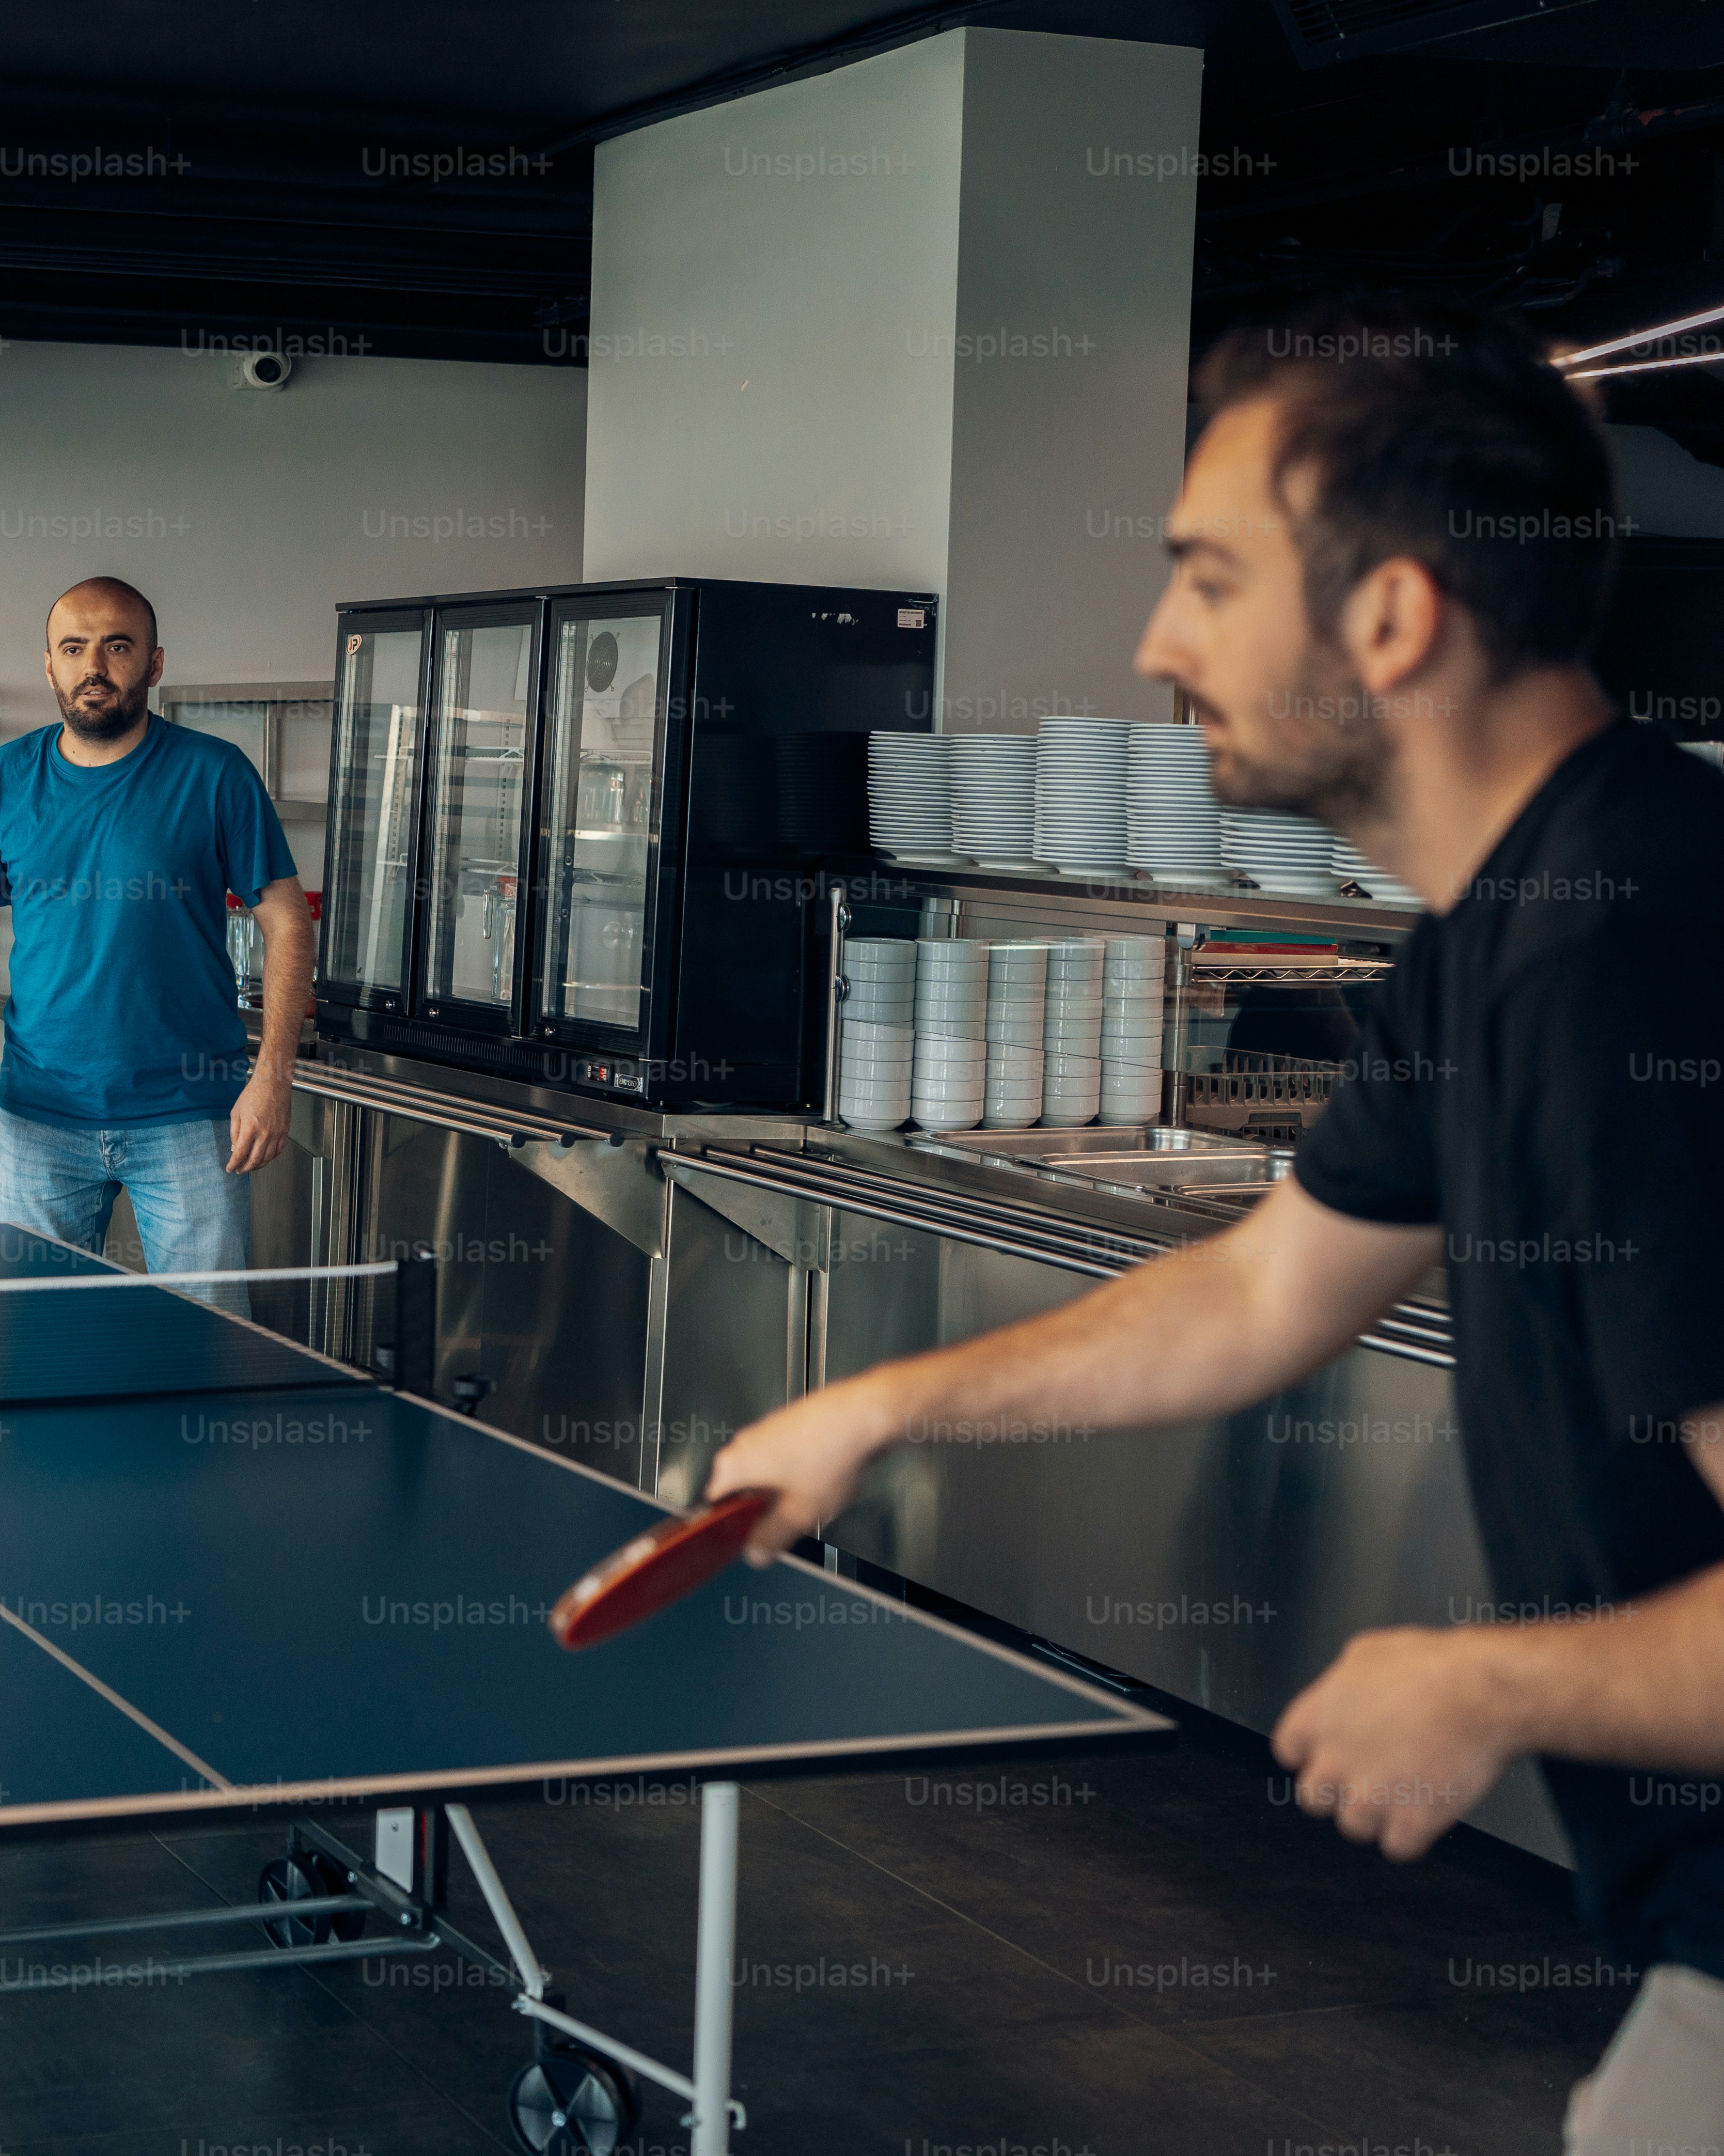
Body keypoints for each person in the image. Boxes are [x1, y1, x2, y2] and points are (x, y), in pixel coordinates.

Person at [708, 294, 1724, 2151]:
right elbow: (1262, 1289)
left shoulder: (1630, 952)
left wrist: (1485, 1674)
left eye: (1201, 576)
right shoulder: (1500, 931)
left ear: (1390, 617)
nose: (1149, 639)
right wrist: (874, 1408)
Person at [0, 575, 314, 1283]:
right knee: (43, 1343)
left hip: (190, 1113)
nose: (93, 667)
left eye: (117, 646)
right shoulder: (7, 777)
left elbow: (285, 923)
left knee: (205, 1340)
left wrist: (274, 1076)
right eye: (74, 648)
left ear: (154, 664)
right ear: (50, 664)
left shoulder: (215, 775)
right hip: (41, 1115)